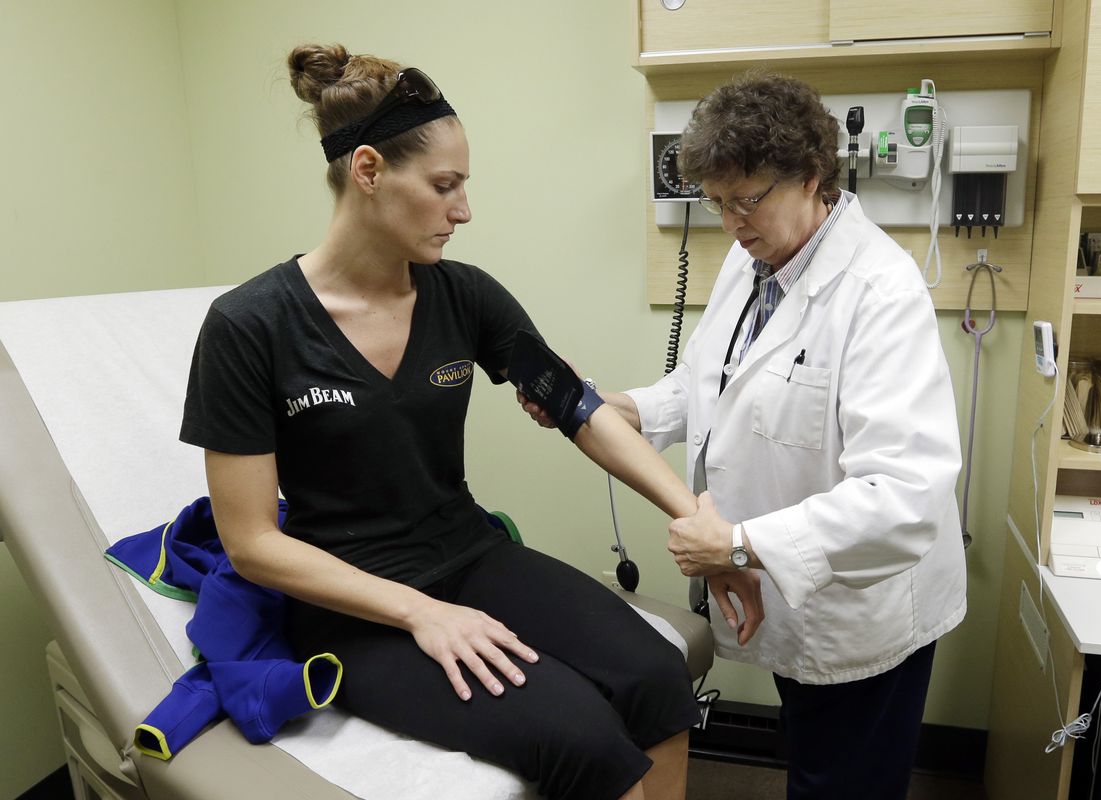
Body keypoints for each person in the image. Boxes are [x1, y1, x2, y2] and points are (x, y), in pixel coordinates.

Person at [179, 42, 734, 800]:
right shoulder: (250, 326)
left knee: (657, 676)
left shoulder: (461, 296)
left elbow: (578, 407)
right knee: (579, 737)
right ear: (369, 171)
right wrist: (423, 614)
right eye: (445, 186)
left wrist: (703, 525)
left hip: (470, 554)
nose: (464, 210)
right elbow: (251, 544)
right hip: (352, 605)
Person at [530, 72, 967, 799]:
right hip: (787, 591)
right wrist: (613, 406)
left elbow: (904, 495)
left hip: (863, 607)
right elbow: (707, 383)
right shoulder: (754, 257)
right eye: (718, 202)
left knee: (846, 783)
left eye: (749, 199)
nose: (732, 221)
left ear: (812, 175)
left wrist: (736, 545)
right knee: (815, 762)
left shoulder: (880, 292)